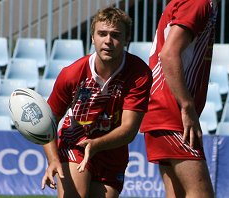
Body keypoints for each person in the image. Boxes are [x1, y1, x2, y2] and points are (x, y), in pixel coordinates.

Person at [41, 7, 152, 198]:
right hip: (75, 142)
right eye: (102, 34)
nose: (108, 41)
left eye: (116, 35)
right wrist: (52, 159)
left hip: (112, 150)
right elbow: (48, 121)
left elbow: (129, 130)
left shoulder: (139, 73)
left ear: (126, 40)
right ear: (92, 37)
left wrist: (97, 144)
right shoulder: (72, 74)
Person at [140, 0, 219, 197]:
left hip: (162, 109)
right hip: (170, 109)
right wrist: (187, 105)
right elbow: (168, 54)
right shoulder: (198, 3)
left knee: (177, 194)